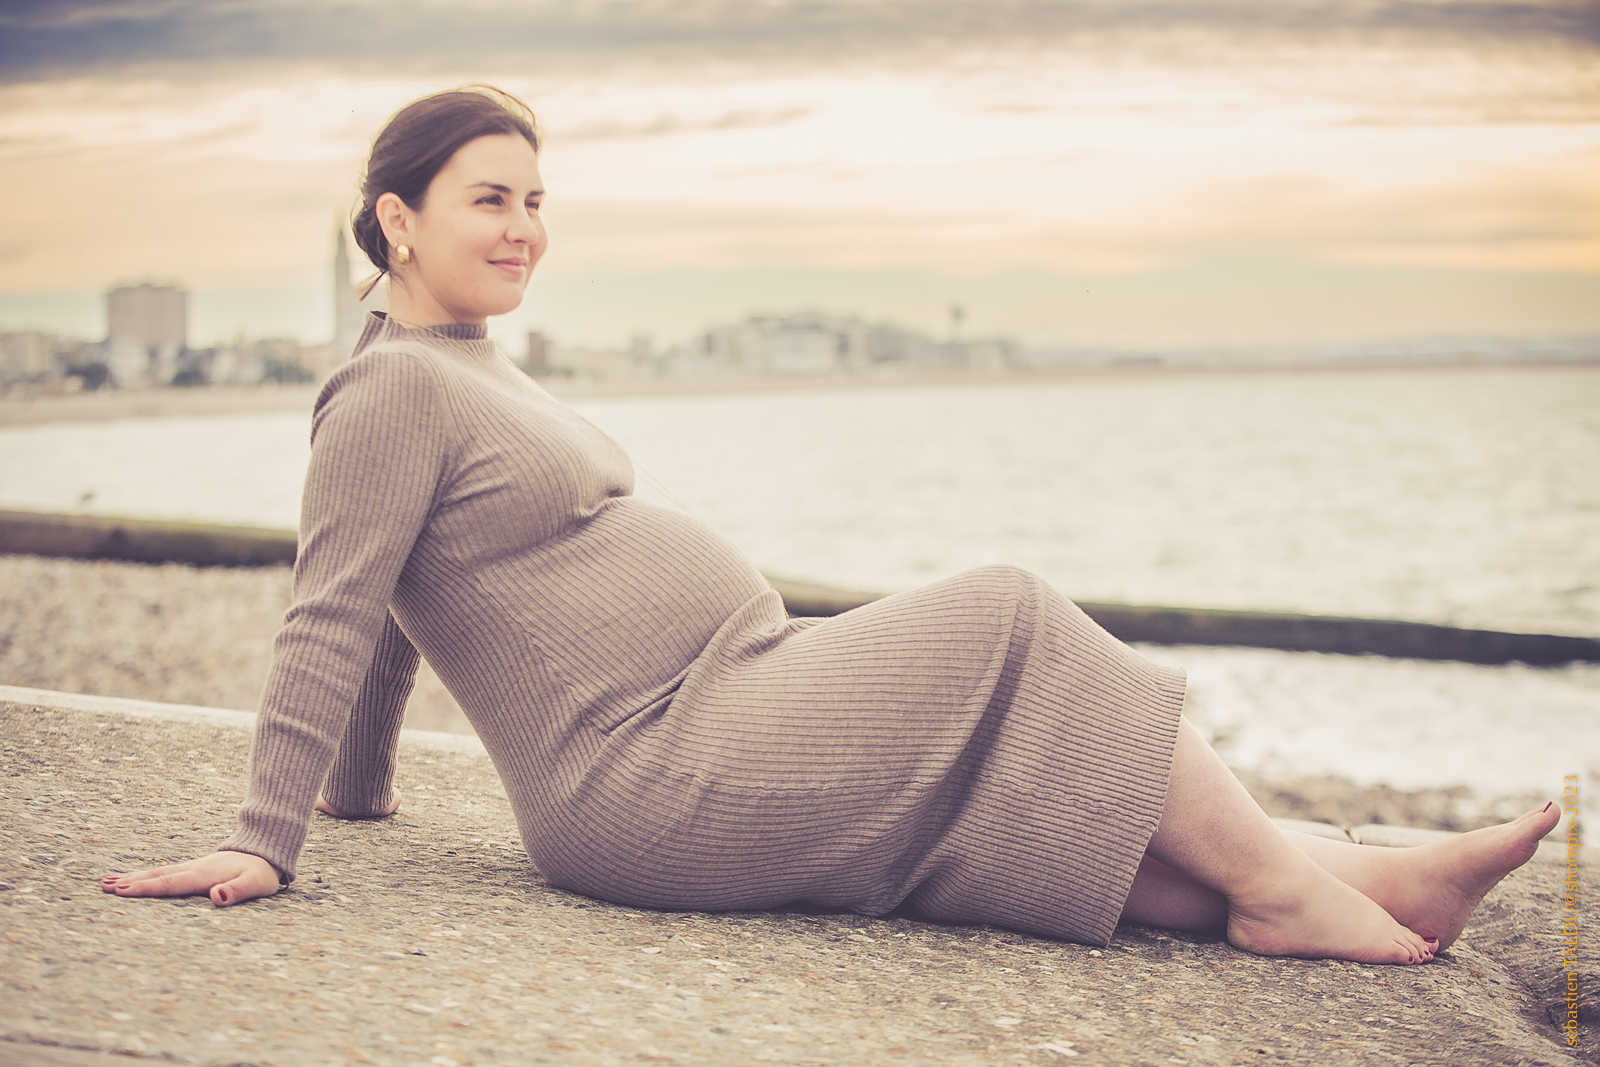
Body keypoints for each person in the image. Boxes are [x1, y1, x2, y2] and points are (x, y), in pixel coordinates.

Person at [102, 86, 1559, 965]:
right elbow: (337, 605)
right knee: (1008, 612)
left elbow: (413, 598)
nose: (526, 227)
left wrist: (363, 796)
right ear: (394, 219)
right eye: (491, 199)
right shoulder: (383, 393)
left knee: (1007, 788)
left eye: (540, 200)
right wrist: (267, 841)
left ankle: (1352, 872)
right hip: (648, 769)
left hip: (725, 699)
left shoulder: (466, 365)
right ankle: (1289, 892)